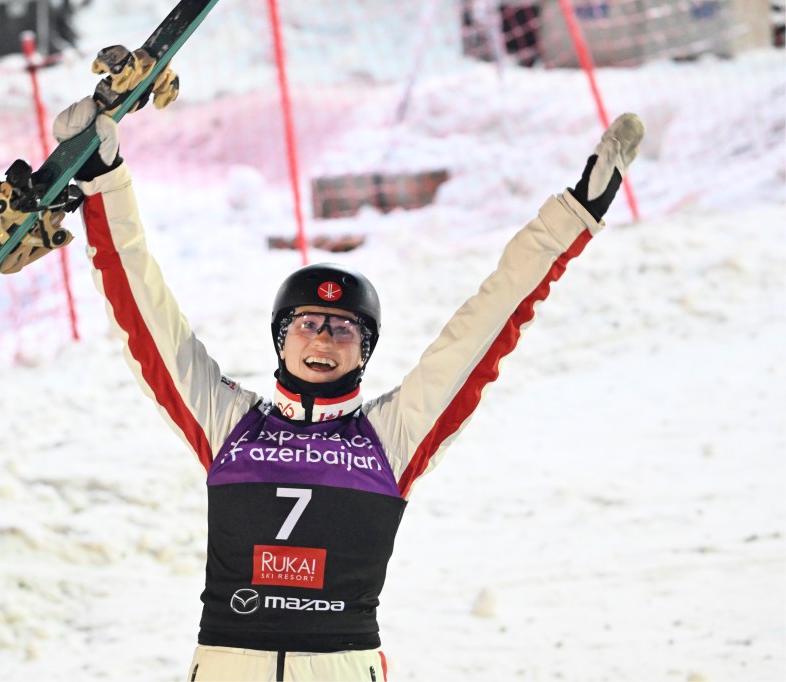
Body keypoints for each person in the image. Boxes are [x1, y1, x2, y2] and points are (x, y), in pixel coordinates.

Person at [50, 72, 644, 681]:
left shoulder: (393, 436)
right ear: (282, 336)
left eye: (345, 330)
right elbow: (147, 315)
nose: (324, 340)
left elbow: (488, 321)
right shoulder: (228, 423)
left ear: (365, 351)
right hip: (230, 664)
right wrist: (104, 186)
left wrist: (573, 218)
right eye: (309, 322)